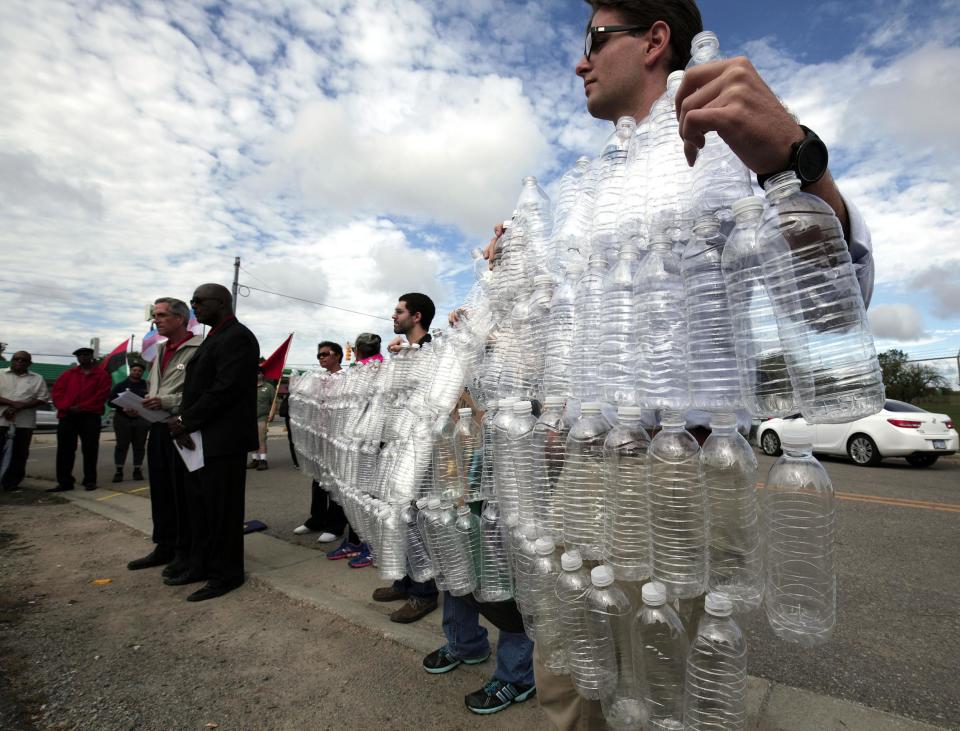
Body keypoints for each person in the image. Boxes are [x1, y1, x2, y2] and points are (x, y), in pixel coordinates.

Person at [505, 2, 875, 728]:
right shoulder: (592, 186)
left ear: (655, 40)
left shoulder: (724, 137)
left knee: (663, 690)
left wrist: (797, 160)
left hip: (679, 470)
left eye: (594, 40)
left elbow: (833, 307)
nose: (580, 61)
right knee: (568, 681)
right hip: (581, 466)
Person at [168, 283, 259, 602]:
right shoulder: (215, 336)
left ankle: (227, 574)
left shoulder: (238, 337)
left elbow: (225, 388)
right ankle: (201, 564)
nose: (194, 307)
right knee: (201, 509)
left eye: (199, 302)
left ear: (220, 302)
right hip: (202, 439)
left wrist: (185, 420)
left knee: (222, 512)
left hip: (223, 441)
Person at [373, 293, 441, 623]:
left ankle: (423, 593)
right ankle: (403, 580)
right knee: (396, 514)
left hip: (422, 446)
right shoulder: (403, 353)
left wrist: (410, 355)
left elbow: (432, 393)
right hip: (399, 442)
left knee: (414, 518)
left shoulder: (433, 349)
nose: (393, 315)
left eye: (398, 311)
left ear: (416, 316)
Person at [127, 297, 204, 576]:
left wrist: (166, 401)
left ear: (181, 318)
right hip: (157, 427)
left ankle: (186, 550)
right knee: (160, 490)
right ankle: (164, 545)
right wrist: (143, 405)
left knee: (182, 494)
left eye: (161, 315)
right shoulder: (159, 350)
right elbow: (154, 387)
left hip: (182, 427)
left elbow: (202, 393)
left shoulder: (200, 348)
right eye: (154, 316)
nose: (155, 320)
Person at [292, 341, 363, 549]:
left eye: (325, 354)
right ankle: (317, 518)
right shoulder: (317, 379)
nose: (322, 358)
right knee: (318, 478)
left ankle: (335, 525)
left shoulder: (347, 378)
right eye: (319, 355)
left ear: (338, 356)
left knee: (335, 480)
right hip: (319, 436)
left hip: (338, 437)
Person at [49, 346, 111, 492]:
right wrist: (66, 407)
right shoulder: (68, 374)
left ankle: (89, 480)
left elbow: (101, 395)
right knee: (65, 450)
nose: (83, 357)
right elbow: (57, 393)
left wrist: (82, 407)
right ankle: (64, 482)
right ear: (77, 358)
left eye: (86, 354)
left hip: (90, 417)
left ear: (91, 356)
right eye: (80, 355)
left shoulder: (101, 375)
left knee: (90, 449)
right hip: (68, 416)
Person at [0, 351, 50, 491]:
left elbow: (43, 397)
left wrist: (22, 406)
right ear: (11, 361)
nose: (20, 362)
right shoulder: (1, 374)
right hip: (1, 420)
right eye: (16, 359)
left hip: (24, 423)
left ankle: (11, 483)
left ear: (29, 363)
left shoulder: (37, 378)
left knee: (20, 453)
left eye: (24, 360)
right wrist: (12, 404)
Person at [108, 362, 150, 483]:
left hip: (141, 419)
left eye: (139, 371)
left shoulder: (146, 385)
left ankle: (137, 469)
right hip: (123, 419)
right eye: (134, 370)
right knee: (121, 445)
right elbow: (110, 402)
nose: (136, 373)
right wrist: (123, 407)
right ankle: (119, 471)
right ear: (130, 371)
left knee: (139, 445)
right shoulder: (120, 385)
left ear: (142, 373)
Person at [249, 367, 276, 471]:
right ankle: (255, 460)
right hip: (250, 418)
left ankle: (263, 461)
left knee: (261, 439)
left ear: (262, 374)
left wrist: (272, 413)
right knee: (252, 440)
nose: (256, 374)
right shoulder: (249, 387)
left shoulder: (268, 387)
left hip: (262, 417)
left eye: (258, 372)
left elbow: (274, 402)